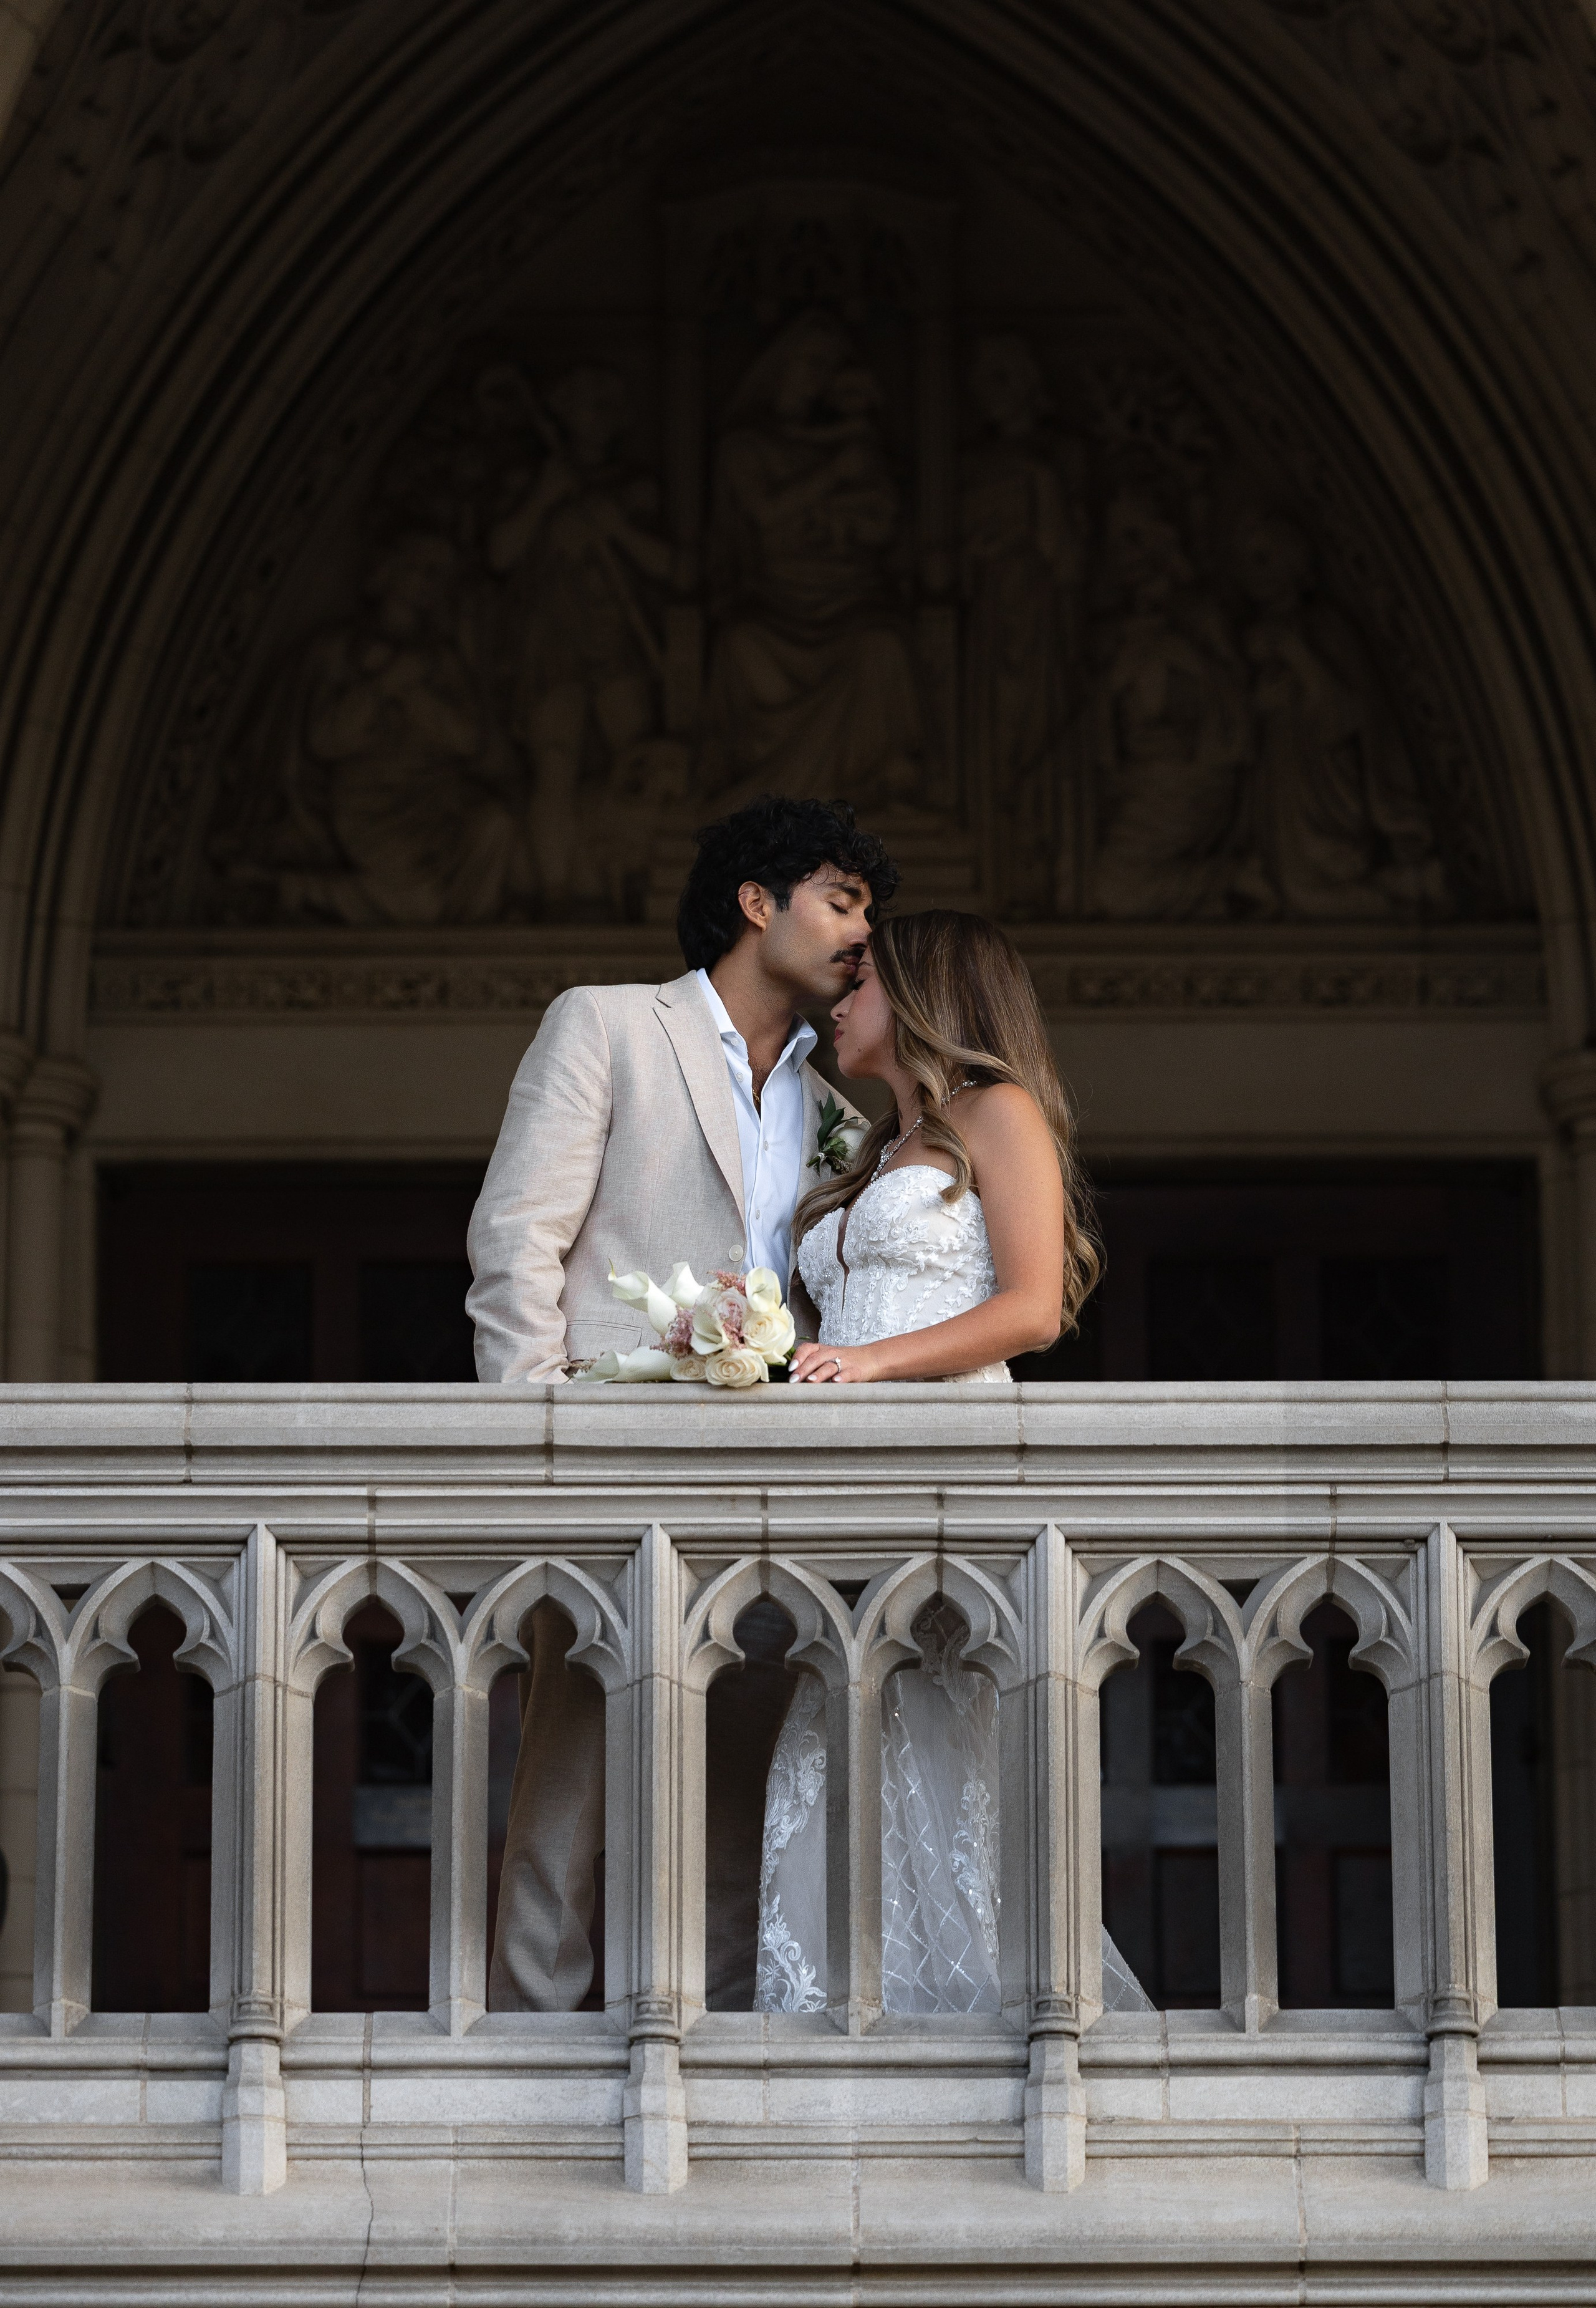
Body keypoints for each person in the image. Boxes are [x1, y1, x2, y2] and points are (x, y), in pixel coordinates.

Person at [466, 795, 897, 2009]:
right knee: (571, 1777)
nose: (863, 931)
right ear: (756, 903)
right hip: (609, 1454)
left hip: (776, 1487)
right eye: (841, 900)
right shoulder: (606, 1026)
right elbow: (516, 1243)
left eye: (869, 908)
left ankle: (708, 2053)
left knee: (741, 1789)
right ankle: (532, 2045)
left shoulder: (837, 1105)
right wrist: (535, 1435)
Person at [756, 910, 1149, 2016]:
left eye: (863, 976)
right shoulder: (874, 1146)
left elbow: (1029, 1309)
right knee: (833, 1753)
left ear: (926, 993)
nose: (840, 993)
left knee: (948, 1752)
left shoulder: (999, 1113)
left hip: (948, 1466)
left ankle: (985, 2026)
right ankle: (850, 2026)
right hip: (843, 1487)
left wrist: (872, 1364)